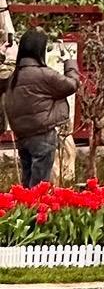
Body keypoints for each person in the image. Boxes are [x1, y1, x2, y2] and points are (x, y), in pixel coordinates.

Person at [3, 26, 79, 187]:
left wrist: (2, 55)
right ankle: (37, 211)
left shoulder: (13, 76)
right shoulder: (44, 75)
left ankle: (24, 210)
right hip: (43, 135)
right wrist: (69, 62)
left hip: (22, 136)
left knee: (27, 181)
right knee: (40, 186)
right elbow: (72, 85)